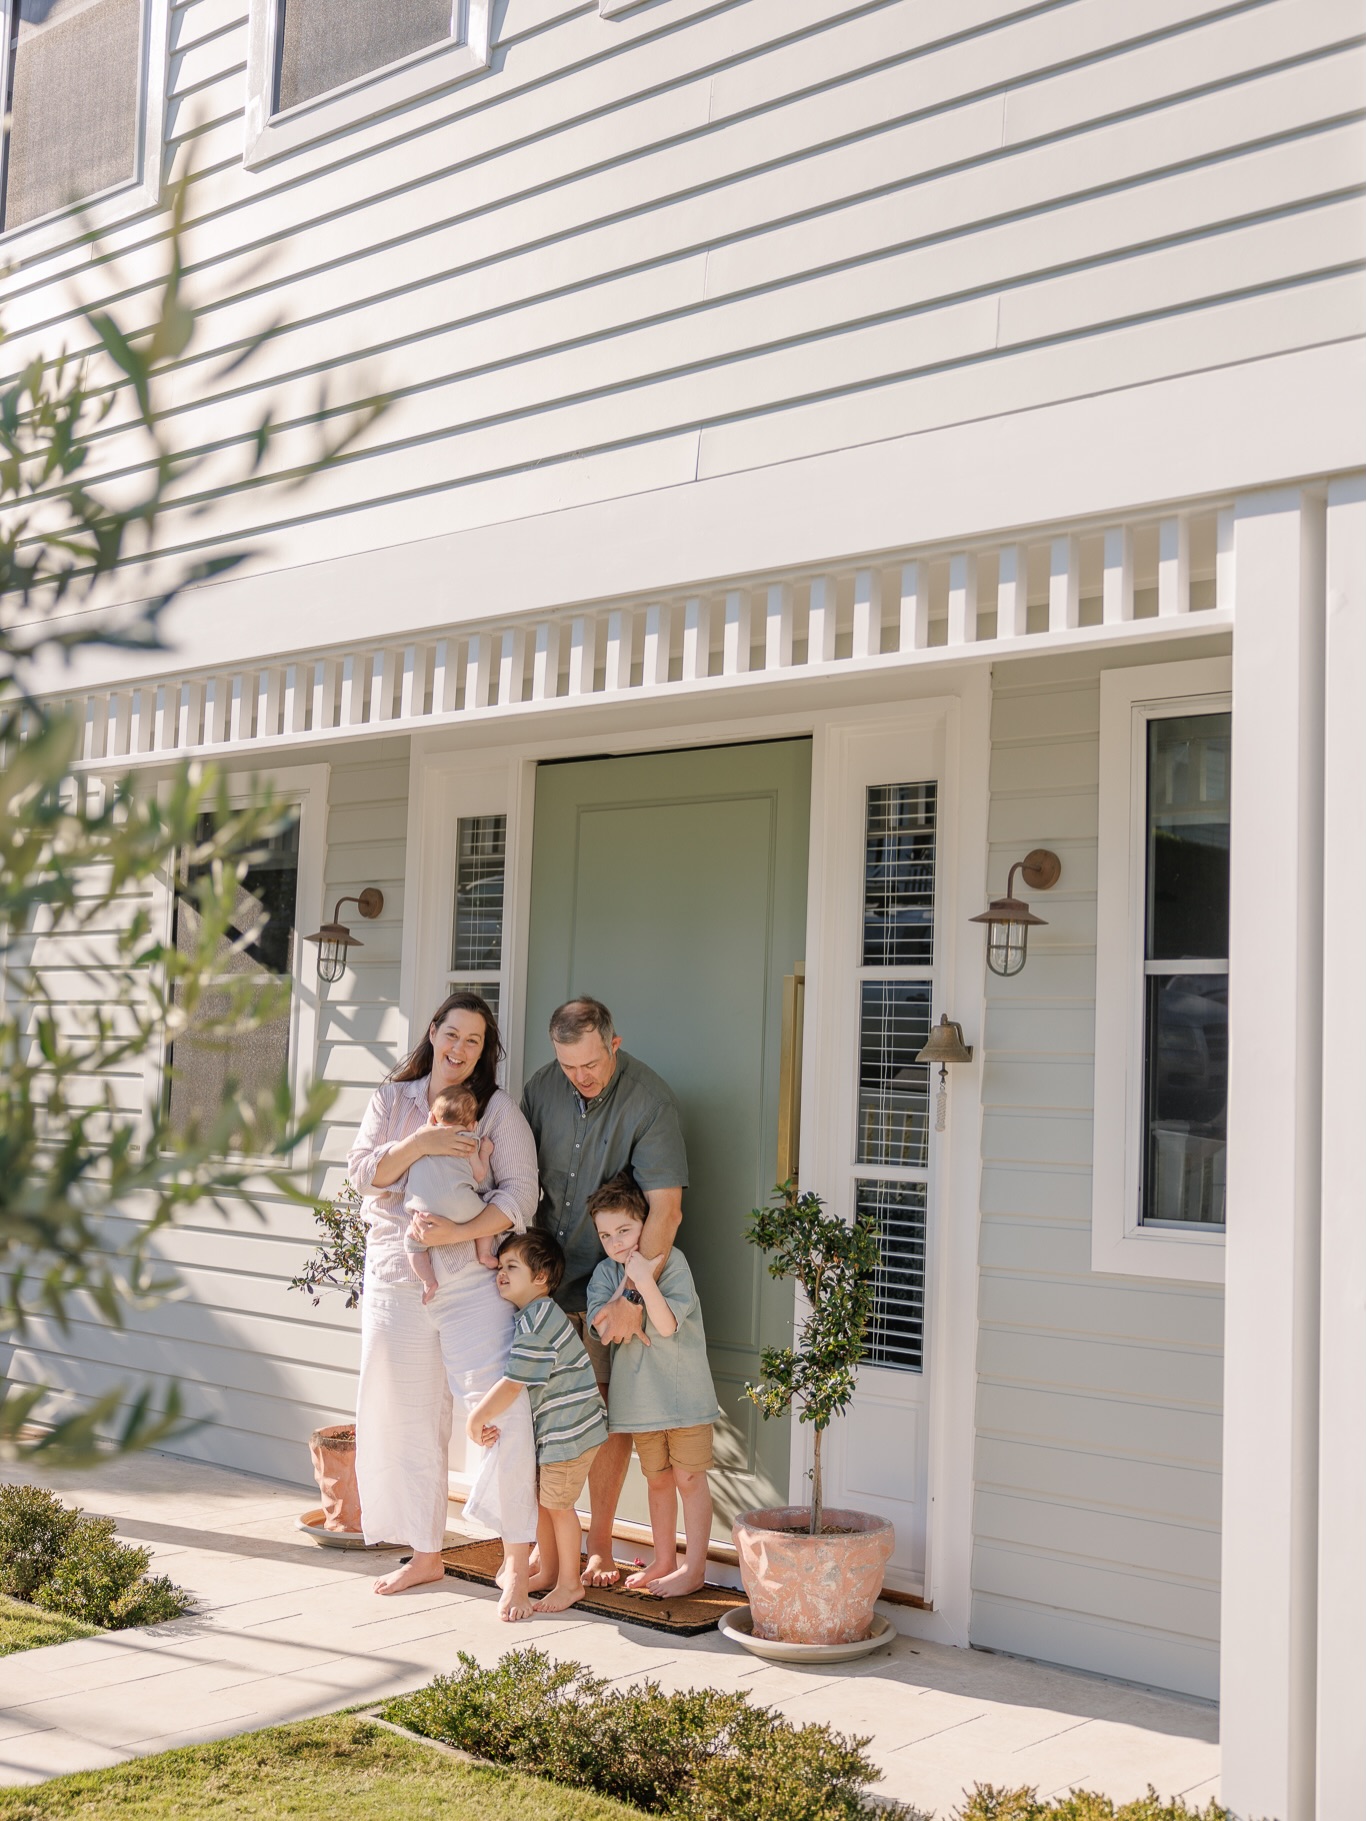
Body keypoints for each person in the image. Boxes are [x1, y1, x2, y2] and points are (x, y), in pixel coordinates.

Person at [347, 991, 541, 1619]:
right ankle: (425, 1554)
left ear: (486, 1052)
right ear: (432, 1032)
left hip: (471, 1279)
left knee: (498, 1408)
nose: (459, 1050)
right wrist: (425, 1145)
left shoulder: (497, 1110)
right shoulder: (392, 1099)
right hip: (396, 1274)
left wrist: (456, 1235)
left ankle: (516, 1563)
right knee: (406, 1415)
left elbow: (520, 1196)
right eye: (451, 1034)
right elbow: (362, 1174)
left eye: (474, 1042)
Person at [520, 996, 687, 1587]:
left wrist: (632, 1297)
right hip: (536, 1278)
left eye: (590, 1064)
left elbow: (667, 1210)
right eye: (569, 1067)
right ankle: (541, 1544)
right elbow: (514, 1175)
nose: (580, 1078)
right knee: (536, 1413)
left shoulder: (650, 1101)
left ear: (613, 1044)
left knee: (600, 1413)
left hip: (605, 1282)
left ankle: (601, 1546)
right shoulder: (541, 1088)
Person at [586, 1173, 720, 1598]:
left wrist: (643, 1281)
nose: (617, 1242)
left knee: (689, 1479)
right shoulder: (605, 1274)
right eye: (606, 1235)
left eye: (625, 1230)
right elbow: (604, 1331)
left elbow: (663, 1324)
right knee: (658, 1480)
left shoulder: (671, 1263)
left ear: (645, 1224)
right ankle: (663, 1560)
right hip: (641, 1404)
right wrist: (625, 1294)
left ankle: (693, 1568)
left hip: (683, 1398)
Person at [466, 1230, 609, 1618]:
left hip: (571, 1430)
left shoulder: (539, 1319)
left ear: (541, 1277)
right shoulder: (532, 1314)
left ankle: (570, 1583)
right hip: (561, 1428)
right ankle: (547, 1570)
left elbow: (515, 1381)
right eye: (501, 1266)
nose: (501, 1273)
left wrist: (478, 1415)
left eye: (512, 1266)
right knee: (546, 1504)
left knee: (559, 1507)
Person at [403, 1084, 499, 1302]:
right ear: (473, 1125)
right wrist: (484, 1152)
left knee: (412, 1242)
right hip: (463, 1208)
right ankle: (484, 1253)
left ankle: (429, 1281)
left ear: (433, 1120)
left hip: (424, 1214)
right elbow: (479, 1175)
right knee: (490, 1214)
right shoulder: (469, 1142)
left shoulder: (424, 1137)